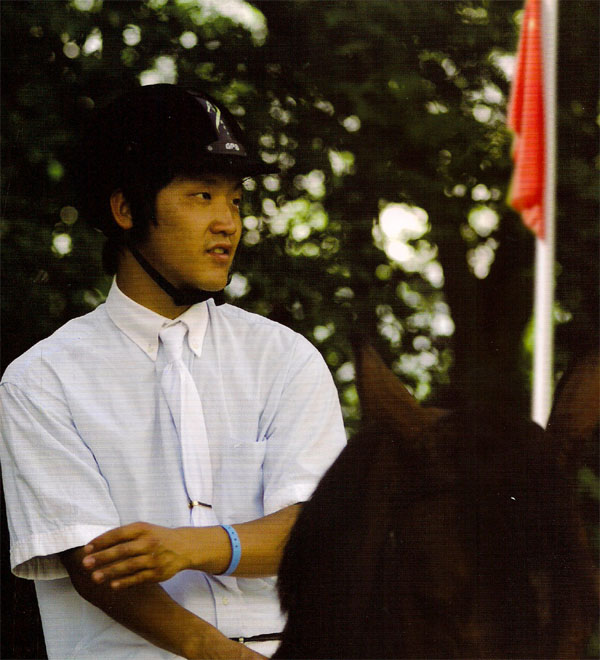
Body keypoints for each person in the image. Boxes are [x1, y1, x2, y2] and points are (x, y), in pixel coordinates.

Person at [0, 84, 346, 659]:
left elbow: (320, 530)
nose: (228, 222)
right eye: (202, 195)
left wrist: (194, 546)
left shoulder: (286, 358)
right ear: (125, 210)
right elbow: (94, 566)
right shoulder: (41, 380)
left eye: (236, 201)